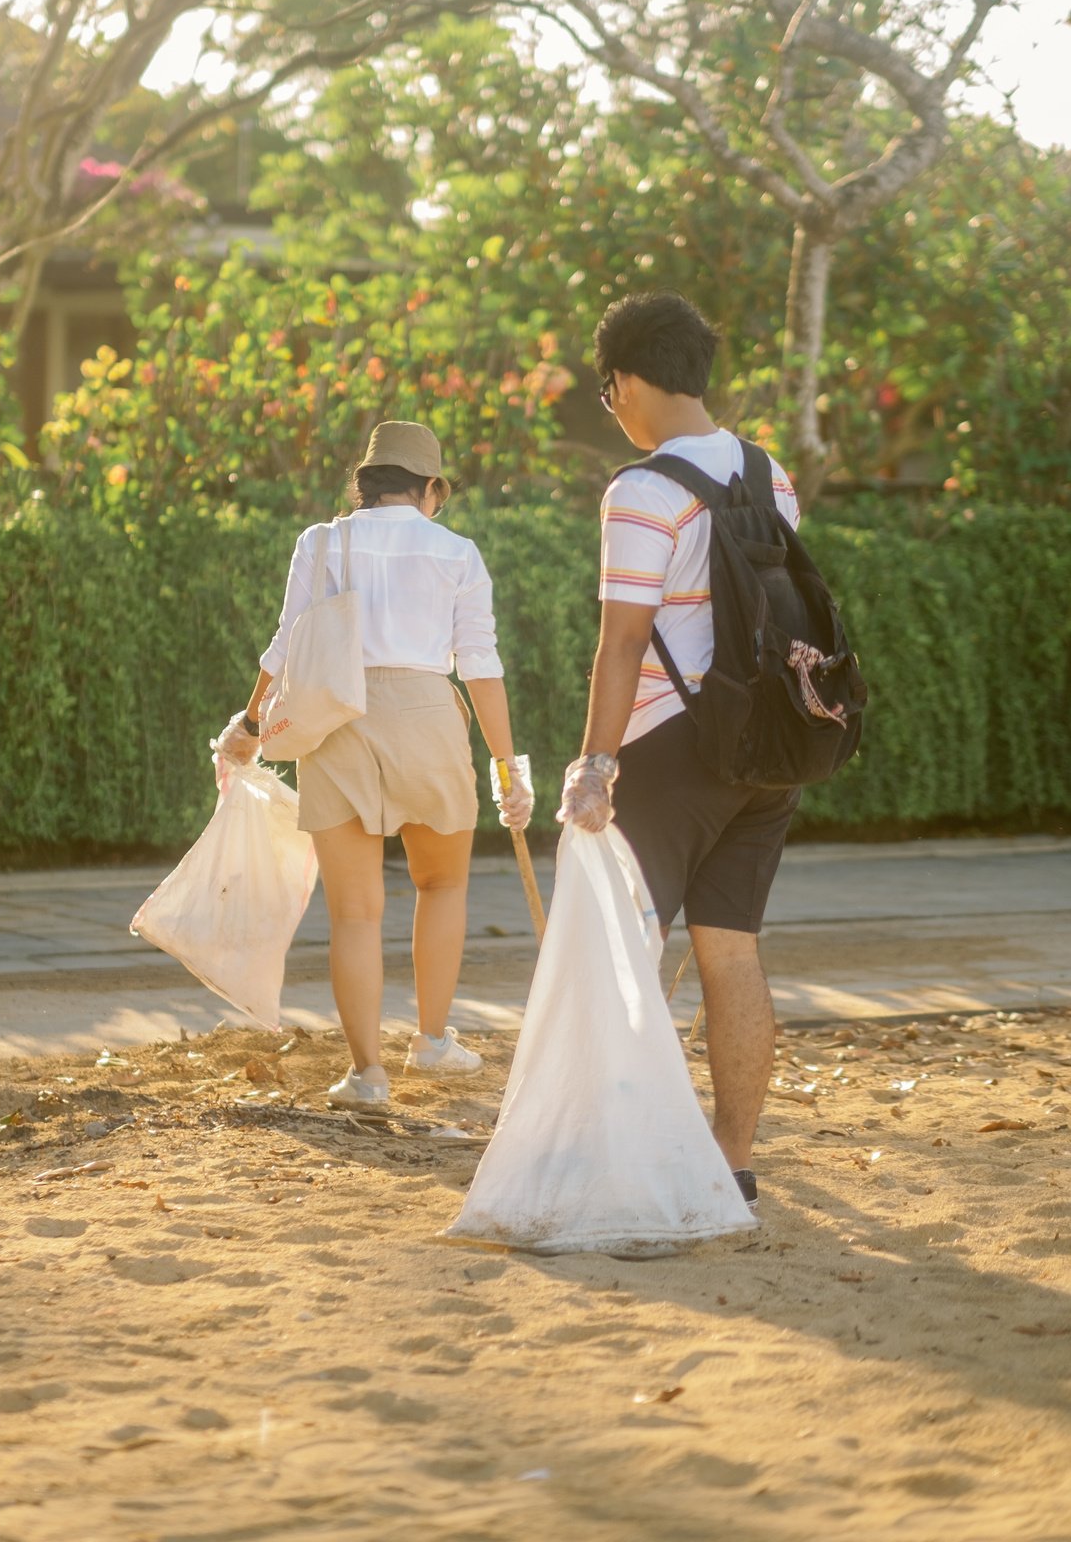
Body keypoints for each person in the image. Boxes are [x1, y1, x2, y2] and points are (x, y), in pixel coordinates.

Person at [557, 292, 800, 1208]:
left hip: (669, 754)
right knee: (731, 955)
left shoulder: (643, 489)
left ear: (623, 380)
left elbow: (623, 642)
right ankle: (729, 1162)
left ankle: (636, 1158)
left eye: (605, 387)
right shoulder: (771, 473)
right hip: (766, 750)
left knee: (628, 955)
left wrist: (595, 765)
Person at [218, 421, 532, 1113]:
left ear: (364, 484)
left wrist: (248, 725)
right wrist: (511, 769)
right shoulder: (457, 552)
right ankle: (431, 1041)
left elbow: (286, 645)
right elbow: (480, 664)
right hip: (427, 716)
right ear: (428, 489)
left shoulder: (322, 541)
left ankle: (368, 1076)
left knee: (356, 914)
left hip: (338, 719)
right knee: (442, 884)